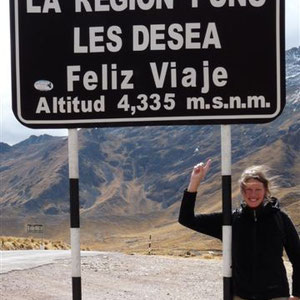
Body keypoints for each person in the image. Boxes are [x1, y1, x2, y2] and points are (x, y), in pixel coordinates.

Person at [178, 159, 300, 300]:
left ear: (266, 190)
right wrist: (195, 181)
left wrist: (297, 294)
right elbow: (186, 219)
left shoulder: (280, 219)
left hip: (276, 295)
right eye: (248, 189)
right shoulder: (230, 220)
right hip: (241, 295)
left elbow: (297, 258)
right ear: (242, 191)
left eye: (258, 189)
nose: (253, 194)